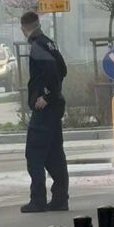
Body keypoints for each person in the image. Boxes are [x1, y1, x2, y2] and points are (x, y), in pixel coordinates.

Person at [20, 11, 69, 213]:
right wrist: (54, 94)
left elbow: (51, 71)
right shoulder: (49, 43)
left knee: (34, 153)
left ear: (24, 28)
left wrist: (46, 95)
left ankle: (38, 200)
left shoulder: (37, 46)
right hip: (55, 108)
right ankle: (60, 199)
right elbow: (62, 69)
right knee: (54, 153)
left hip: (45, 109)